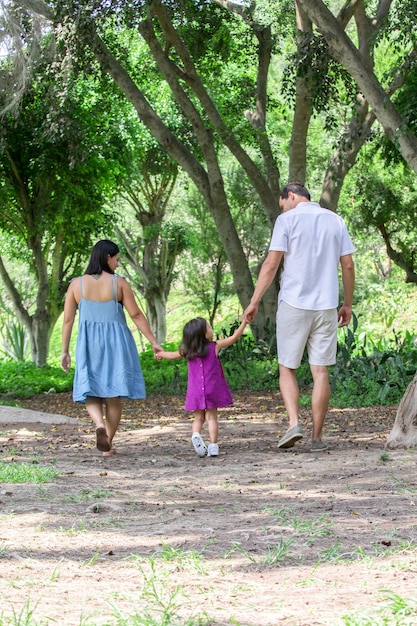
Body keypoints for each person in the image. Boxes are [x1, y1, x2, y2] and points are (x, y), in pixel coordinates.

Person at [243, 182, 355, 452]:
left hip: (294, 302)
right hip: (326, 305)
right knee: (320, 371)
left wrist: (254, 301)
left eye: (283, 202)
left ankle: (294, 423)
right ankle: (317, 438)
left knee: (287, 367)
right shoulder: (335, 220)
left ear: (290, 196)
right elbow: (348, 264)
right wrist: (347, 304)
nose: (284, 207)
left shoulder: (287, 220)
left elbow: (271, 263)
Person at [61, 239, 161, 456]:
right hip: (116, 343)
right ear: (108, 257)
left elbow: (68, 320)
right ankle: (108, 443)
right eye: (116, 259)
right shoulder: (119, 283)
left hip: (89, 344)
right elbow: (135, 315)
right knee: (113, 395)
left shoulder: (76, 285)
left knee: (91, 392)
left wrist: (64, 351)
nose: (117, 263)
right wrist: (153, 341)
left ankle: (99, 425)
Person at [157, 317, 247, 457]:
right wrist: (244, 323)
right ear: (204, 334)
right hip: (212, 388)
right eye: (209, 327)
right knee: (212, 417)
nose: (212, 329)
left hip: (196, 391)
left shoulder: (187, 351)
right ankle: (213, 446)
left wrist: (159, 353)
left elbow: (170, 355)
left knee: (198, 418)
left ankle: (196, 434)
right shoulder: (214, 346)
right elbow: (234, 337)